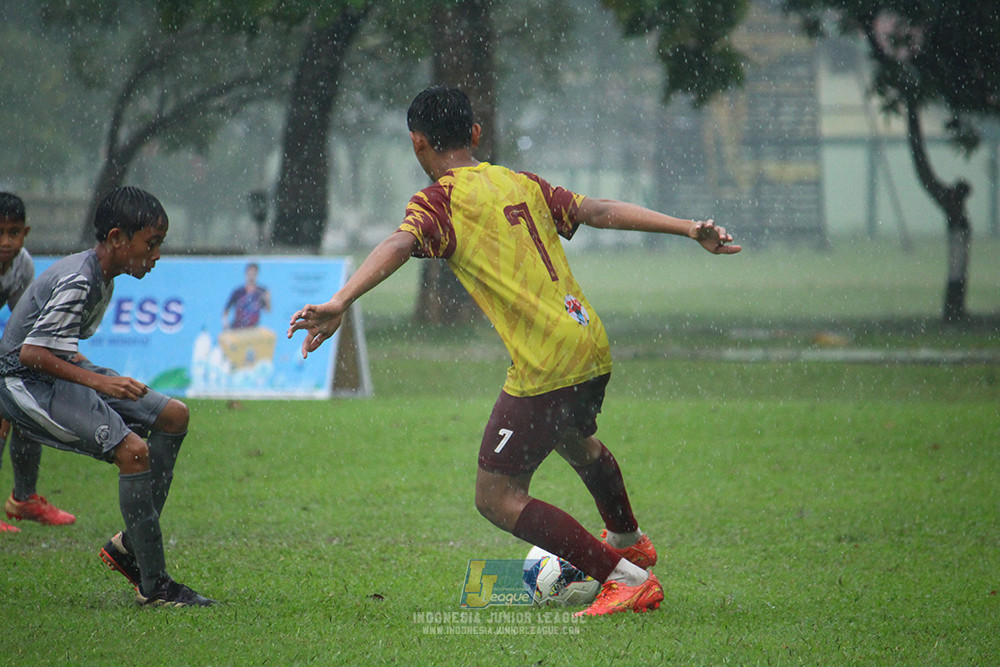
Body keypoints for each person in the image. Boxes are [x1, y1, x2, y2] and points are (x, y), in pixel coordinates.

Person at [287, 86, 741, 617]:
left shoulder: (439, 201)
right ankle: (627, 539)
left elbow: (399, 243)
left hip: (546, 363)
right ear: (476, 134)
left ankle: (624, 578)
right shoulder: (519, 182)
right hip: (589, 341)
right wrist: (689, 228)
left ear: (417, 144)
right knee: (574, 438)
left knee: (496, 495)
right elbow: (597, 210)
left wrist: (341, 298)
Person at [0, 186, 214, 606]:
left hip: (52, 372)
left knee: (174, 415)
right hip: (21, 383)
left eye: (159, 245)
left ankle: (129, 548)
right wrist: (100, 383)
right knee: (133, 452)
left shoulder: (102, 276)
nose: (155, 255)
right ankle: (155, 587)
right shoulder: (81, 278)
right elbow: (30, 352)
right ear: (117, 238)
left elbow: (58, 343)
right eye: (151, 244)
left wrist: (100, 378)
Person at [0, 192, 76, 533]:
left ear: (25, 233)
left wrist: (64, 354)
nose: (6, 241)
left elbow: (24, 323)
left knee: (23, 399)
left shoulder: (23, 265)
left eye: (13, 232)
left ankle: (24, 498)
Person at [222, 262, 270, 329]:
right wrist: (225, 323)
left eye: (254, 273)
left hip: (253, 328)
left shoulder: (261, 291)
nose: (252, 275)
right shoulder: (238, 292)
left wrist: (267, 300)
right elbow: (226, 309)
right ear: (246, 274)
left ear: (257, 274)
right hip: (238, 327)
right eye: (250, 273)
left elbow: (268, 310)